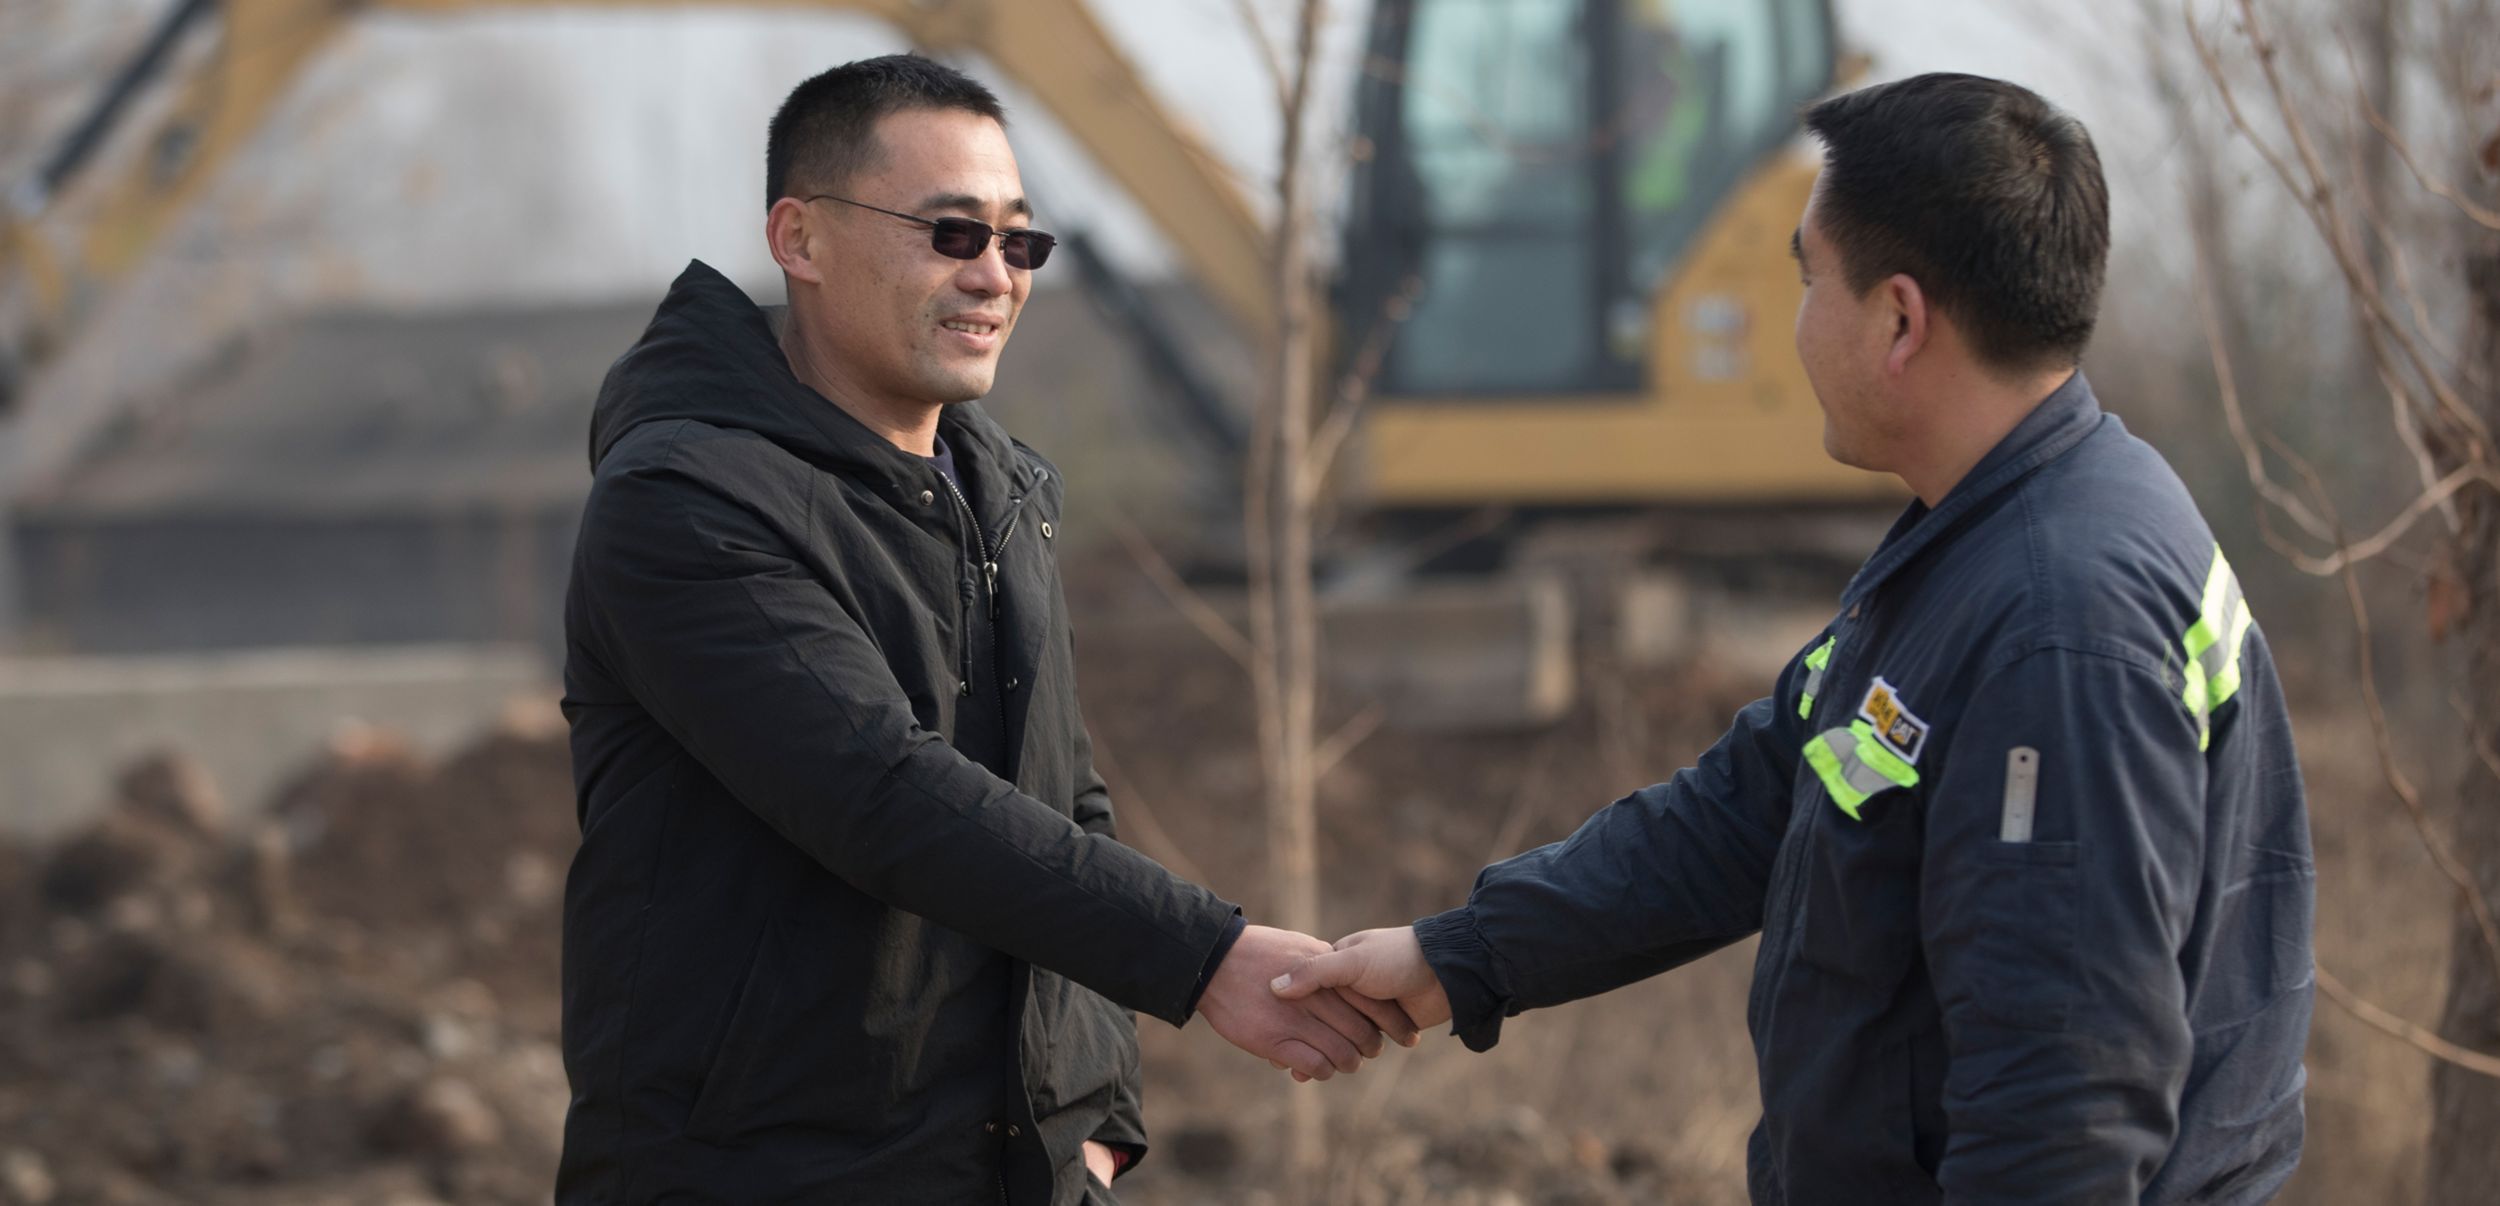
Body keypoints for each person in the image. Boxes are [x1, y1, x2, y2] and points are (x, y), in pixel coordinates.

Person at [1276, 73, 2314, 1203]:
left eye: (1808, 280)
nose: (1794, 321)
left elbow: (2058, 1111)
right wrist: (1458, 957)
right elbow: (1752, 804)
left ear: (1900, 320)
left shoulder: (2055, 629)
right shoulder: (1988, 536)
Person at [555, 54, 1412, 1204]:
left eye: (1019, 243)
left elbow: (1065, 805)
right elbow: (878, 793)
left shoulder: (998, 493)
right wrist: (1204, 955)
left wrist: (1092, 1122)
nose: (995, 277)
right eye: (952, 234)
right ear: (799, 240)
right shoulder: (686, 501)